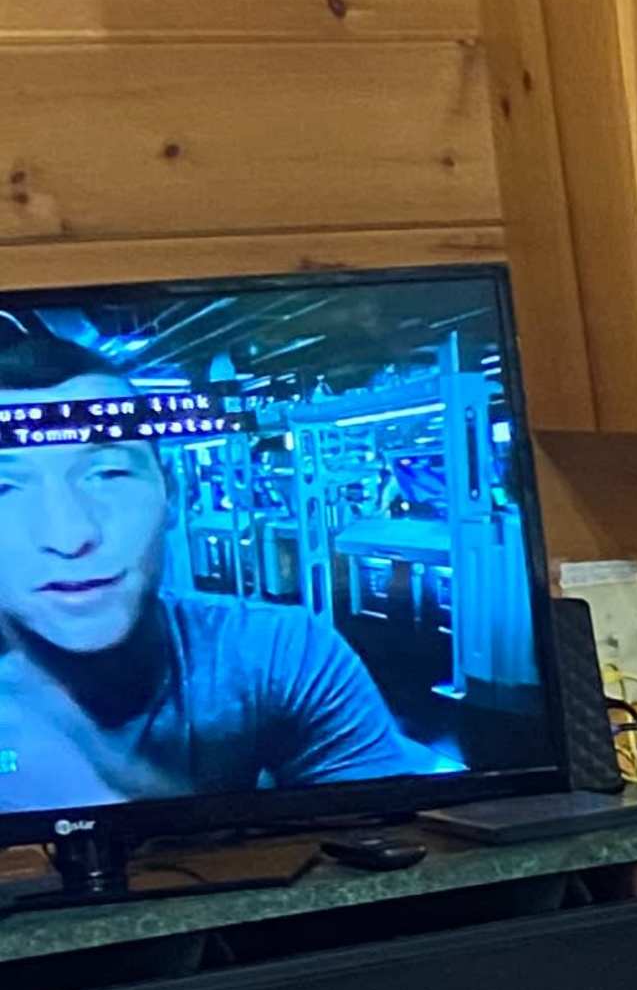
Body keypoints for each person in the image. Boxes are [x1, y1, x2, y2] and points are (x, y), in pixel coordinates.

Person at [0, 320, 409, 811]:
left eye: (108, 473)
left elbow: (385, 841)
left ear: (172, 492)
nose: (70, 535)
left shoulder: (278, 652)